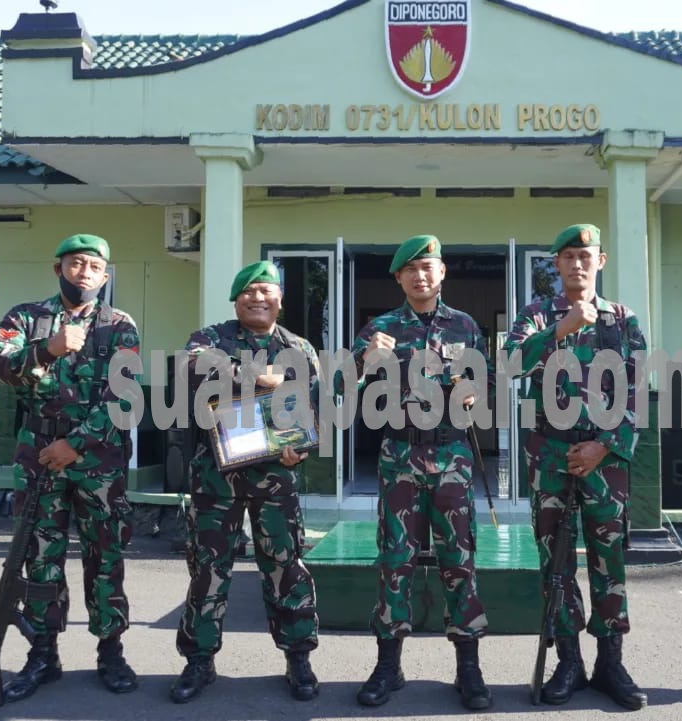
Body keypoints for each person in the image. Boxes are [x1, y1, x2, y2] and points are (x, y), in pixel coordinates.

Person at [0, 233, 140, 702]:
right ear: (59, 268)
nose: (85, 273)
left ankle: (110, 650)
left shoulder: (119, 325)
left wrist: (75, 444)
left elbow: (124, 396)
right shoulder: (25, 317)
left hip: (99, 459)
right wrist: (47, 349)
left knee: (105, 555)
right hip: (38, 454)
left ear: (105, 276)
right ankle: (43, 654)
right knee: (40, 557)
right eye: (76, 264)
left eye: (94, 266)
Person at [346, 235, 495, 711]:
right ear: (398, 278)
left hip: (452, 456)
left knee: (459, 561)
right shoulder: (381, 328)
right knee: (395, 561)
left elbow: (484, 379)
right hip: (399, 458)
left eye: (427, 267)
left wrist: (475, 389)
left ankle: (468, 666)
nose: (420, 275)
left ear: (442, 272)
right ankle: (389, 663)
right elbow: (339, 383)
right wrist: (365, 359)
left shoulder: (466, 326)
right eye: (410, 269)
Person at [503, 223, 648, 710]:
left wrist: (605, 446)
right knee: (557, 564)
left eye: (585, 256)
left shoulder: (622, 321)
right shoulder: (536, 315)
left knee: (610, 563)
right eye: (567, 256)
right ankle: (569, 660)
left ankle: (611, 661)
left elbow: (638, 392)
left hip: (605, 462)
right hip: (551, 459)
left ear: (600, 262)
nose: (577, 264)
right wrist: (559, 330)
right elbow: (508, 366)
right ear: (556, 265)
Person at [169, 260, 321, 704]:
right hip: (217, 478)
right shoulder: (210, 339)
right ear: (236, 300)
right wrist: (255, 377)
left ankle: (298, 657)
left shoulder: (300, 348)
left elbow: (312, 410)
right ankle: (199, 660)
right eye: (249, 291)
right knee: (208, 571)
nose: (258, 298)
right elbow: (192, 369)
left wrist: (303, 448)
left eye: (266, 290)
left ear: (280, 299)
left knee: (285, 566)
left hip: (276, 479)